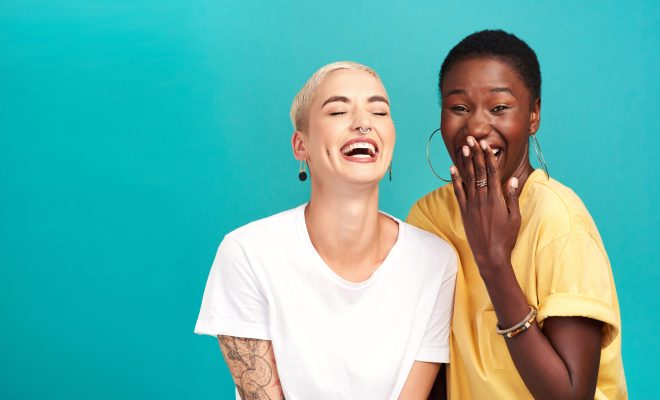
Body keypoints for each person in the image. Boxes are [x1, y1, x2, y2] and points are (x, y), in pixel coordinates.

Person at [195, 61, 457, 400]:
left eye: (379, 112)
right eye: (337, 112)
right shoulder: (248, 253)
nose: (364, 123)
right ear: (300, 146)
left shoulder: (435, 262)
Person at [407, 30, 627, 399]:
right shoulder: (429, 217)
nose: (476, 127)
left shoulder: (559, 223)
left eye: (499, 108)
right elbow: (430, 365)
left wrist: (494, 261)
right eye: (458, 108)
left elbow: (571, 396)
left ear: (533, 115)